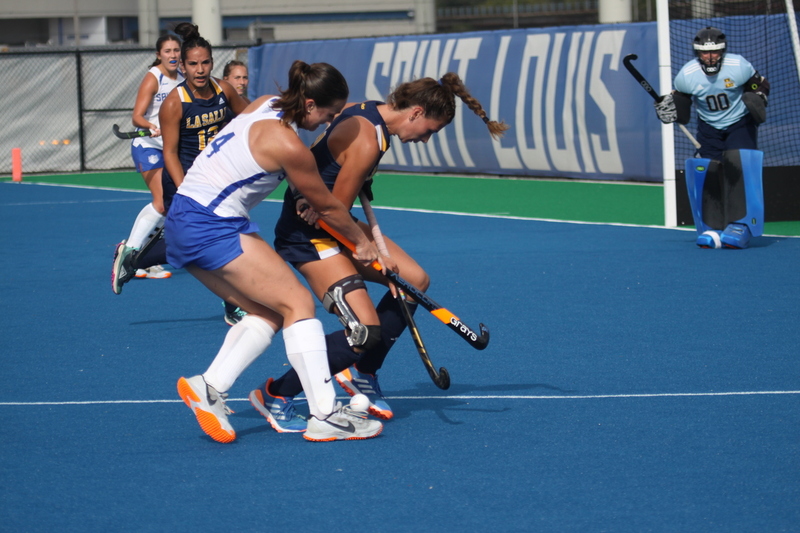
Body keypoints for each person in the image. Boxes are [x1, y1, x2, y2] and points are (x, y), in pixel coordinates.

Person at [248, 73, 508, 432]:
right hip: (310, 234)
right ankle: (276, 393)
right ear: (415, 112)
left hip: (331, 220)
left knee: (414, 279)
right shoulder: (369, 139)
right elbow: (333, 208)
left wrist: (358, 185)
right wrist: (367, 248)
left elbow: (328, 168)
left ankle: (363, 372)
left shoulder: (367, 110)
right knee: (364, 330)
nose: (426, 138)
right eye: (430, 130)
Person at [169, 59, 385, 443]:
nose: (328, 122)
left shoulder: (266, 103)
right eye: (330, 114)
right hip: (210, 224)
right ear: (310, 104)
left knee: (268, 312)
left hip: (185, 219)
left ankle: (208, 386)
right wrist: (364, 243)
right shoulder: (289, 144)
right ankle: (326, 414)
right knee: (299, 304)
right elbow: (332, 208)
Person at [112, 23, 249, 325]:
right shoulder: (175, 102)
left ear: (212, 63)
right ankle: (136, 257)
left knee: (212, 243)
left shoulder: (223, 90)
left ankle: (135, 257)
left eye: (205, 63)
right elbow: (170, 153)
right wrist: (187, 189)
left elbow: (249, 117)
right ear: (183, 66)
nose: (200, 70)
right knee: (197, 247)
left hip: (216, 181)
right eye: (193, 64)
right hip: (183, 183)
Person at [654, 27, 770, 249]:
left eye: (715, 52)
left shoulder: (739, 66)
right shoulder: (687, 75)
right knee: (708, 170)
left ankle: (741, 225)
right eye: (704, 53)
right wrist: (668, 108)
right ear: (697, 52)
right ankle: (712, 226)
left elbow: (760, 84)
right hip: (708, 127)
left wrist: (758, 96)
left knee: (738, 165)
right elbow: (681, 103)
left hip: (739, 122)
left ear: (722, 51)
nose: (710, 57)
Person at [110, 34, 183, 293]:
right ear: (159, 54)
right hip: (148, 146)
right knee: (162, 201)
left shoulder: (185, 78)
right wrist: (151, 126)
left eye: (176, 50)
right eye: (168, 51)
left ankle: (141, 254)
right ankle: (130, 250)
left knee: (174, 203)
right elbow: (136, 117)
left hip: (173, 149)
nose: (173, 55)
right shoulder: (154, 77)